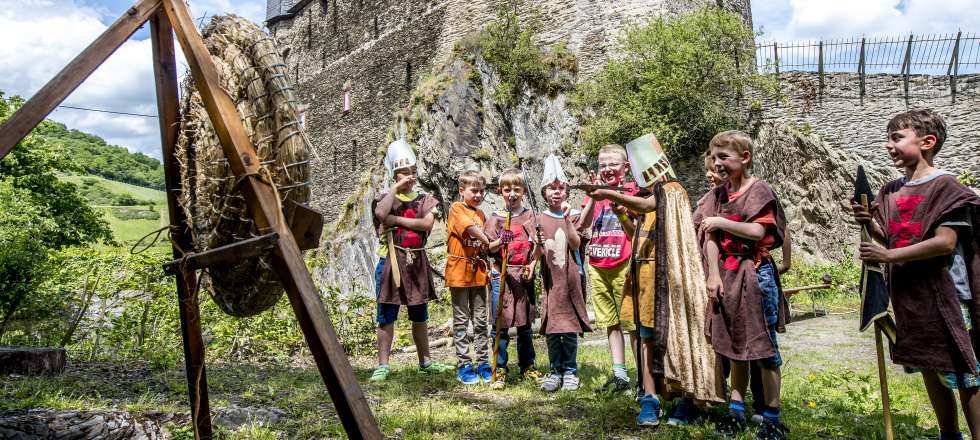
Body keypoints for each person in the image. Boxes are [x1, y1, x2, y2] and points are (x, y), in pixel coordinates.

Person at [851, 109, 980, 440]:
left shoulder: (947, 188)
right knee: (930, 366)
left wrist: (888, 255)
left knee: (963, 372)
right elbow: (890, 238)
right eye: (888, 138)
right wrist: (870, 223)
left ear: (927, 142)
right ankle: (949, 434)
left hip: (947, 295)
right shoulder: (891, 191)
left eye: (896, 138)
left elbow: (945, 242)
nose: (888, 145)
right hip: (911, 296)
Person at [588, 134, 724, 427]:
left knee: (674, 337)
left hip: (669, 281)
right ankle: (650, 396)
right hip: (644, 280)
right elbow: (636, 234)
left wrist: (609, 194)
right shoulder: (647, 195)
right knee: (646, 338)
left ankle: (687, 397)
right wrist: (623, 213)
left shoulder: (672, 191)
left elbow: (650, 205)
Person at [698, 130, 790, 439]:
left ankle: (772, 417)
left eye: (724, 157)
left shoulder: (759, 190)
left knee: (763, 348)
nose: (718, 163)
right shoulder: (719, 194)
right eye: (714, 157)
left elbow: (756, 231)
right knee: (733, 344)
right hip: (727, 275)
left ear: (745, 158)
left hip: (756, 273)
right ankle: (736, 411)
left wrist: (723, 222)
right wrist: (712, 274)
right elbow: (709, 237)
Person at [370, 139, 454, 382]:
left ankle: (425, 361)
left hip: (416, 262)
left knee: (420, 314)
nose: (410, 177)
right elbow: (381, 214)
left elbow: (426, 224)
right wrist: (395, 190)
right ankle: (383, 364)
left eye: (413, 172)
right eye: (404, 173)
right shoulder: (385, 197)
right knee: (386, 313)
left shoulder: (425, 199)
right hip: (390, 263)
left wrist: (397, 221)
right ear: (395, 174)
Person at [576, 144, 640, 395]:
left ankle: (643, 380)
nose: (607, 169)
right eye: (602, 165)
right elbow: (583, 224)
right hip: (598, 264)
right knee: (611, 323)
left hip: (623, 263)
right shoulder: (596, 192)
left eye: (613, 164)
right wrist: (593, 196)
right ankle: (619, 375)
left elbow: (636, 230)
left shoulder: (633, 191)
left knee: (632, 323)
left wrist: (621, 209)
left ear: (625, 167)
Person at [536, 155, 592, 392]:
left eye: (560, 188)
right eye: (552, 188)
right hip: (551, 281)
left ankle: (570, 370)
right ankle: (554, 370)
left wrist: (567, 219)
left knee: (568, 326)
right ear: (544, 192)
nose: (557, 192)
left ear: (567, 191)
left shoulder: (575, 216)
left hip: (570, 280)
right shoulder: (538, 219)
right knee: (552, 326)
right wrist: (538, 243)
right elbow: (538, 254)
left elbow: (575, 243)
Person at [485, 169, 538, 389]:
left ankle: (527, 366)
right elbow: (488, 248)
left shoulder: (529, 216)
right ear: (500, 191)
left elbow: (538, 246)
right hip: (502, 276)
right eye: (507, 190)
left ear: (524, 191)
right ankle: (500, 367)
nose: (512, 194)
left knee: (524, 324)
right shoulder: (495, 218)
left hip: (523, 275)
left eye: (517, 189)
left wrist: (533, 265)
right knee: (501, 323)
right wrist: (500, 241)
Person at [445, 170, 495, 385]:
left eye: (482, 191)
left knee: (482, 320)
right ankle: (464, 363)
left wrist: (490, 255)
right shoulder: (457, 208)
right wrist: (490, 241)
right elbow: (472, 231)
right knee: (461, 321)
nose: (478, 195)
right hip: (459, 273)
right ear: (461, 191)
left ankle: (483, 362)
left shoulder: (482, 214)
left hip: (478, 273)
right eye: (474, 190)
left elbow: (482, 246)